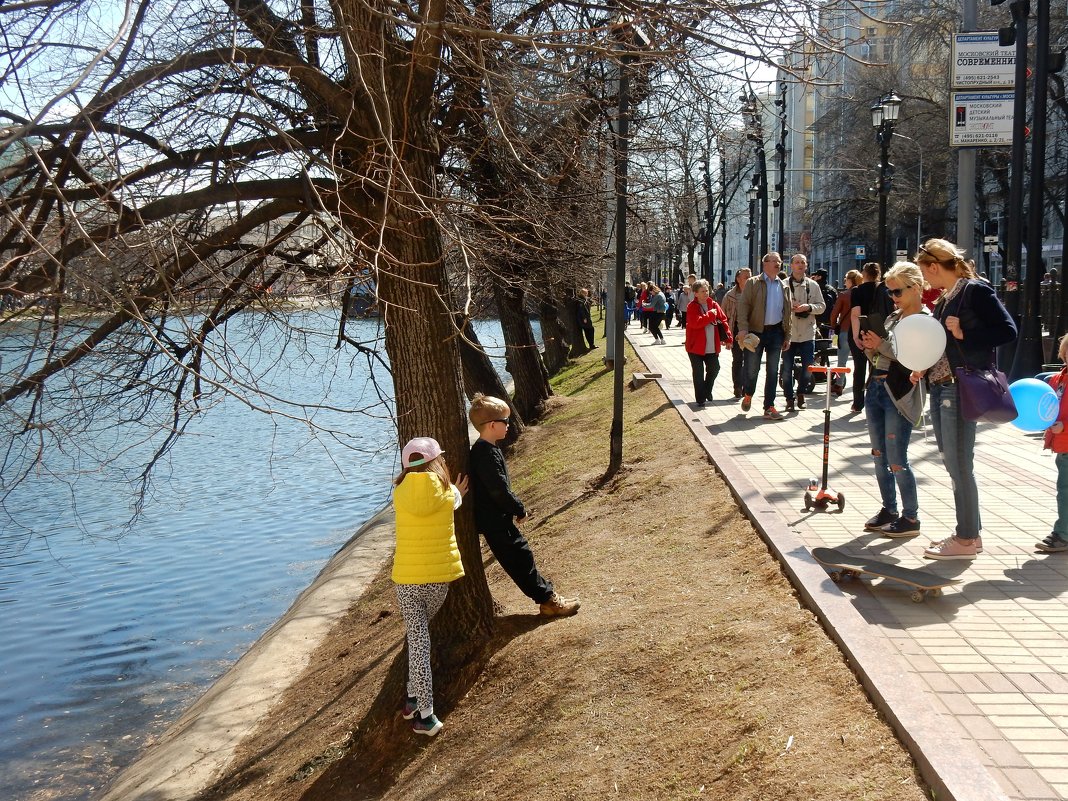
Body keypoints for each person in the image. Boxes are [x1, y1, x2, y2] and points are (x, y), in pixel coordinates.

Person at [914, 239, 1017, 560]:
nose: (926, 279)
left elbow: (1007, 330)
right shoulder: (947, 298)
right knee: (953, 461)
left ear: (934, 266)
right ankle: (969, 534)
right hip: (942, 385)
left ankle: (967, 537)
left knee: (959, 463)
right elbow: (943, 344)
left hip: (960, 387)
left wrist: (965, 335)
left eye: (924, 272)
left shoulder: (975, 291)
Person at [468, 394, 580, 613]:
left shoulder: (488, 450)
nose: (509, 426)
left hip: (498, 518)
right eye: (505, 422)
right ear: (492, 425)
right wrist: (518, 508)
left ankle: (547, 595)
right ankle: (548, 602)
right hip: (494, 521)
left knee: (522, 554)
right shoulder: (485, 454)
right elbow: (498, 489)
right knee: (519, 559)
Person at [393, 436, 468, 736]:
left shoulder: (399, 493)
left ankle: (424, 712)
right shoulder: (447, 492)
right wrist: (459, 491)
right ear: (437, 462)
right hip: (438, 581)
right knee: (420, 641)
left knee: (419, 642)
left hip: (407, 581)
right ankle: (415, 704)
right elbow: (458, 499)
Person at [858, 262, 928, 538]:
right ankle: (890, 509)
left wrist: (881, 346)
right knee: (878, 455)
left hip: (899, 393)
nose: (894, 298)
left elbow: (912, 357)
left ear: (916, 287)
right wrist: (869, 347)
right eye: (890, 293)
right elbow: (880, 357)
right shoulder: (893, 319)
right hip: (876, 386)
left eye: (897, 292)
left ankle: (911, 517)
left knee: (897, 458)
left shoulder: (924, 320)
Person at [737, 252, 793, 421]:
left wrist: (787, 335)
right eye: (774, 261)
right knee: (752, 369)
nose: (778, 264)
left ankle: (769, 406)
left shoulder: (784, 285)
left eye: (779, 261)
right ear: (765, 264)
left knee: (773, 370)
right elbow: (743, 306)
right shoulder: (753, 283)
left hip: (776, 333)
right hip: (755, 332)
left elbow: (788, 312)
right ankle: (748, 393)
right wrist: (743, 329)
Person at [781, 254, 825, 412]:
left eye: (803, 263)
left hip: (807, 333)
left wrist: (808, 307)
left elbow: (822, 306)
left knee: (808, 368)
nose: (800, 265)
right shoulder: (783, 284)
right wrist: (789, 307)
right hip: (789, 334)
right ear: (791, 265)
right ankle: (789, 398)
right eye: (797, 262)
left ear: (806, 266)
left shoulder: (813, 285)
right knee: (786, 369)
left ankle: (801, 393)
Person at [848, 262, 890, 413]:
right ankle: (877, 400)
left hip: (861, 332)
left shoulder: (857, 291)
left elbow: (855, 314)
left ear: (863, 274)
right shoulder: (884, 289)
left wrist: (855, 335)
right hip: (878, 332)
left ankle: (857, 403)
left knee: (859, 369)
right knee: (877, 367)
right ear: (878, 274)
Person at [1039, 333, 1068, 552]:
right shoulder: (1057, 379)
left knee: (1065, 491)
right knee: (1063, 489)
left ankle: (1063, 534)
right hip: (1062, 445)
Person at [685, 279, 732, 407]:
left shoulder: (713, 304)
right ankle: (700, 399)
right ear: (695, 293)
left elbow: (723, 321)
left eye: (707, 290)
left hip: (712, 345)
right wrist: (710, 315)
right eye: (702, 291)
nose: (706, 293)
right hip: (695, 347)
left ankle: (707, 390)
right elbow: (695, 323)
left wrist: (728, 339)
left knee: (714, 369)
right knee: (698, 373)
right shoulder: (692, 306)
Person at [828, 270, 860, 397]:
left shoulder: (844, 295)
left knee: (842, 361)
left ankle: (839, 385)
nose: (844, 281)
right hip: (860, 331)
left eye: (846, 279)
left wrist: (834, 325)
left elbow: (834, 314)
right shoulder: (863, 294)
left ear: (850, 280)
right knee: (860, 362)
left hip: (845, 331)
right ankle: (860, 389)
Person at [721, 268, 751, 399]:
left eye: (750, 277)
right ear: (738, 279)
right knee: (738, 360)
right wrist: (724, 336)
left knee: (749, 361)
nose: (749, 279)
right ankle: (737, 387)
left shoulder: (754, 294)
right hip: (736, 331)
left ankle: (746, 387)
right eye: (746, 277)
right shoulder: (730, 295)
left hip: (751, 332)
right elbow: (723, 316)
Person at [812, 268, 837, 338]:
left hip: (816, 319)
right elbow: (836, 304)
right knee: (826, 339)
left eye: (816, 276)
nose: (815, 277)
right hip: (828, 319)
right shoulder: (832, 289)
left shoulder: (815, 288)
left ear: (819, 277)